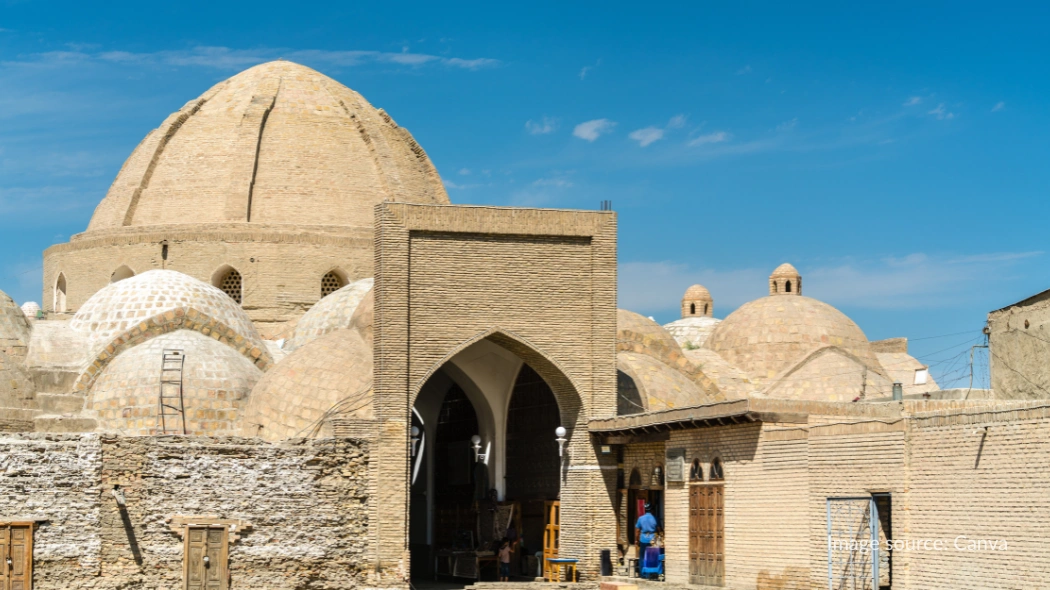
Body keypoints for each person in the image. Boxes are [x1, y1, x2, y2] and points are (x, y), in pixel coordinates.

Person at [635, 502, 660, 574]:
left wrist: (637, 540)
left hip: (643, 539)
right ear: (652, 510)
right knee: (652, 556)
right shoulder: (655, 518)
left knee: (642, 557)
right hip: (652, 540)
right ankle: (651, 573)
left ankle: (642, 573)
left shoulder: (640, 518)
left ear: (645, 510)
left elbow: (637, 531)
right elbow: (659, 529)